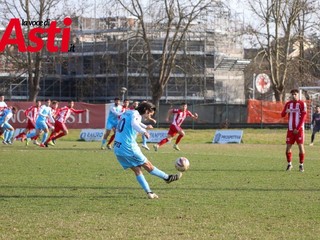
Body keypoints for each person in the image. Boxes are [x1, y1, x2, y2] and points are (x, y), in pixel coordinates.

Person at [113, 101, 182, 199]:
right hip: (128, 147)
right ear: (145, 110)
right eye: (149, 113)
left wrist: (145, 126)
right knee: (148, 166)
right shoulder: (136, 115)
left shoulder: (128, 112)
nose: (149, 116)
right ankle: (167, 178)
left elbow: (134, 122)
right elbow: (134, 123)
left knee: (137, 170)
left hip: (118, 148)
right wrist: (144, 131)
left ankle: (149, 192)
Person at [281, 89, 307, 172]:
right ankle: (289, 164)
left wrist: (298, 128)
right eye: (292, 94)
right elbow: (282, 115)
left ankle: (301, 165)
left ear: (298, 95)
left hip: (299, 130)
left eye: (295, 94)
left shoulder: (302, 104)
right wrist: (286, 111)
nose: (294, 96)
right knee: (287, 148)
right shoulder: (288, 104)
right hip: (290, 130)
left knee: (300, 146)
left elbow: (303, 117)